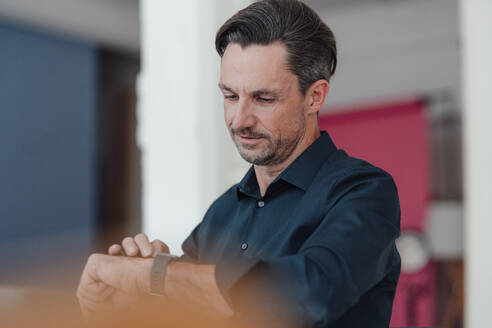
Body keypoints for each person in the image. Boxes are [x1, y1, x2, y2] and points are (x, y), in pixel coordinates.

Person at [76, 0, 401, 327]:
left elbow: (308, 296)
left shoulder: (364, 192)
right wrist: (127, 303)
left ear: (314, 96)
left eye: (263, 98)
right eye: (230, 96)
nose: (238, 120)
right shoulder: (221, 214)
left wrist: (157, 275)